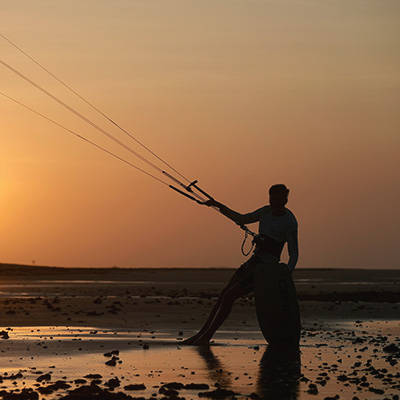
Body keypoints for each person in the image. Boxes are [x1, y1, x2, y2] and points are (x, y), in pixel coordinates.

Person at [182, 184, 298, 345]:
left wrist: (287, 272)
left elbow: (294, 252)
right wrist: (217, 205)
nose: (274, 202)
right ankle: (200, 335)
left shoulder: (289, 221)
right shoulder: (265, 211)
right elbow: (242, 219)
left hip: (265, 270)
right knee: (224, 294)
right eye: (272, 198)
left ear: (285, 199)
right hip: (253, 262)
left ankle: (206, 337)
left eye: (278, 199)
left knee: (229, 296)